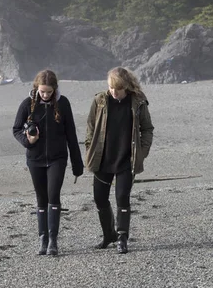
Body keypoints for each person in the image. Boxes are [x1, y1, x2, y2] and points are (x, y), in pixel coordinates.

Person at [12, 69, 84, 256]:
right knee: (41, 198)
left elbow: (71, 135)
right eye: (42, 91)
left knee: (53, 195)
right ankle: (42, 239)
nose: (45, 95)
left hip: (57, 159)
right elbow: (16, 129)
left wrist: (77, 164)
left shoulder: (63, 103)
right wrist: (28, 141)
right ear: (37, 88)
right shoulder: (28, 104)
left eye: (49, 92)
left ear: (55, 89)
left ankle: (53, 240)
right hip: (35, 160)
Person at [85, 67, 154, 254]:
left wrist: (142, 152)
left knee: (122, 197)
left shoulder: (138, 102)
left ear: (126, 86)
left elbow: (147, 129)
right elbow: (90, 127)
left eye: (118, 89)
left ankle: (122, 237)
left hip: (126, 159)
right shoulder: (100, 100)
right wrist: (89, 148)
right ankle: (109, 235)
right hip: (102, 158)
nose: (114, 92)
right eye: (111, 88)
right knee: (99, 198)